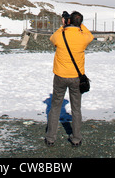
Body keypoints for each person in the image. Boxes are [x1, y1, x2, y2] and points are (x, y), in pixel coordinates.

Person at [45, 10, 94, 147]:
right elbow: (90, 36)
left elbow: (52, 39)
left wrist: (64, 25)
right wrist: (78, 24)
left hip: (60, 76)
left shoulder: (61, 34)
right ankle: (76, 138)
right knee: (76, 108)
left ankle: (50, 138)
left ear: (68, 21)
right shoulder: (83, 37)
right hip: (76, 78)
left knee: (55, 107)